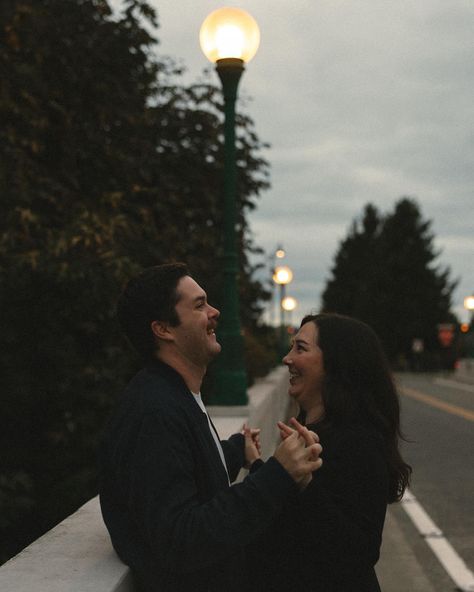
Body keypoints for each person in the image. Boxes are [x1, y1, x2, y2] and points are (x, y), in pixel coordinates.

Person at [98, 263, 322, 592]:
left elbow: (184, 466)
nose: (215, 312)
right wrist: (278, 474)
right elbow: (181, 540)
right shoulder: (155, 413)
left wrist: (234, 451)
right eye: (200, 305)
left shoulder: (172, 396)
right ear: (164, 329)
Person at [247, 313, 412, 592]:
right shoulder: (310, 435)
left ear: (336, 363)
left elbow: (359, 552)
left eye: (300, 348)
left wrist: (303, 483)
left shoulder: (359, 441)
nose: (287, 359)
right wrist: (261, 469)